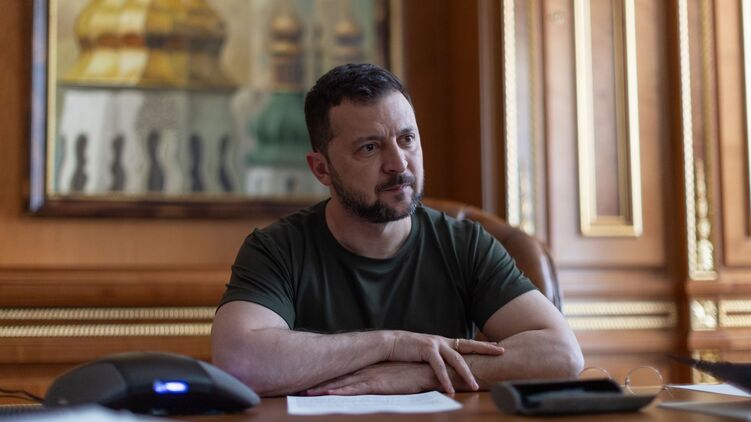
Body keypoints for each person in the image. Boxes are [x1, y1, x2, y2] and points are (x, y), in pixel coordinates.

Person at [211, 63, 583, 397]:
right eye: (370, 148)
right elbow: (240, 361)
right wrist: (390, 345)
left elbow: (562, 354)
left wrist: (425, 374)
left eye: (407, 139)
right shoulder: (276, 249)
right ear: (321, 169)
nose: (398, 163)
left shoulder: (466, 245)